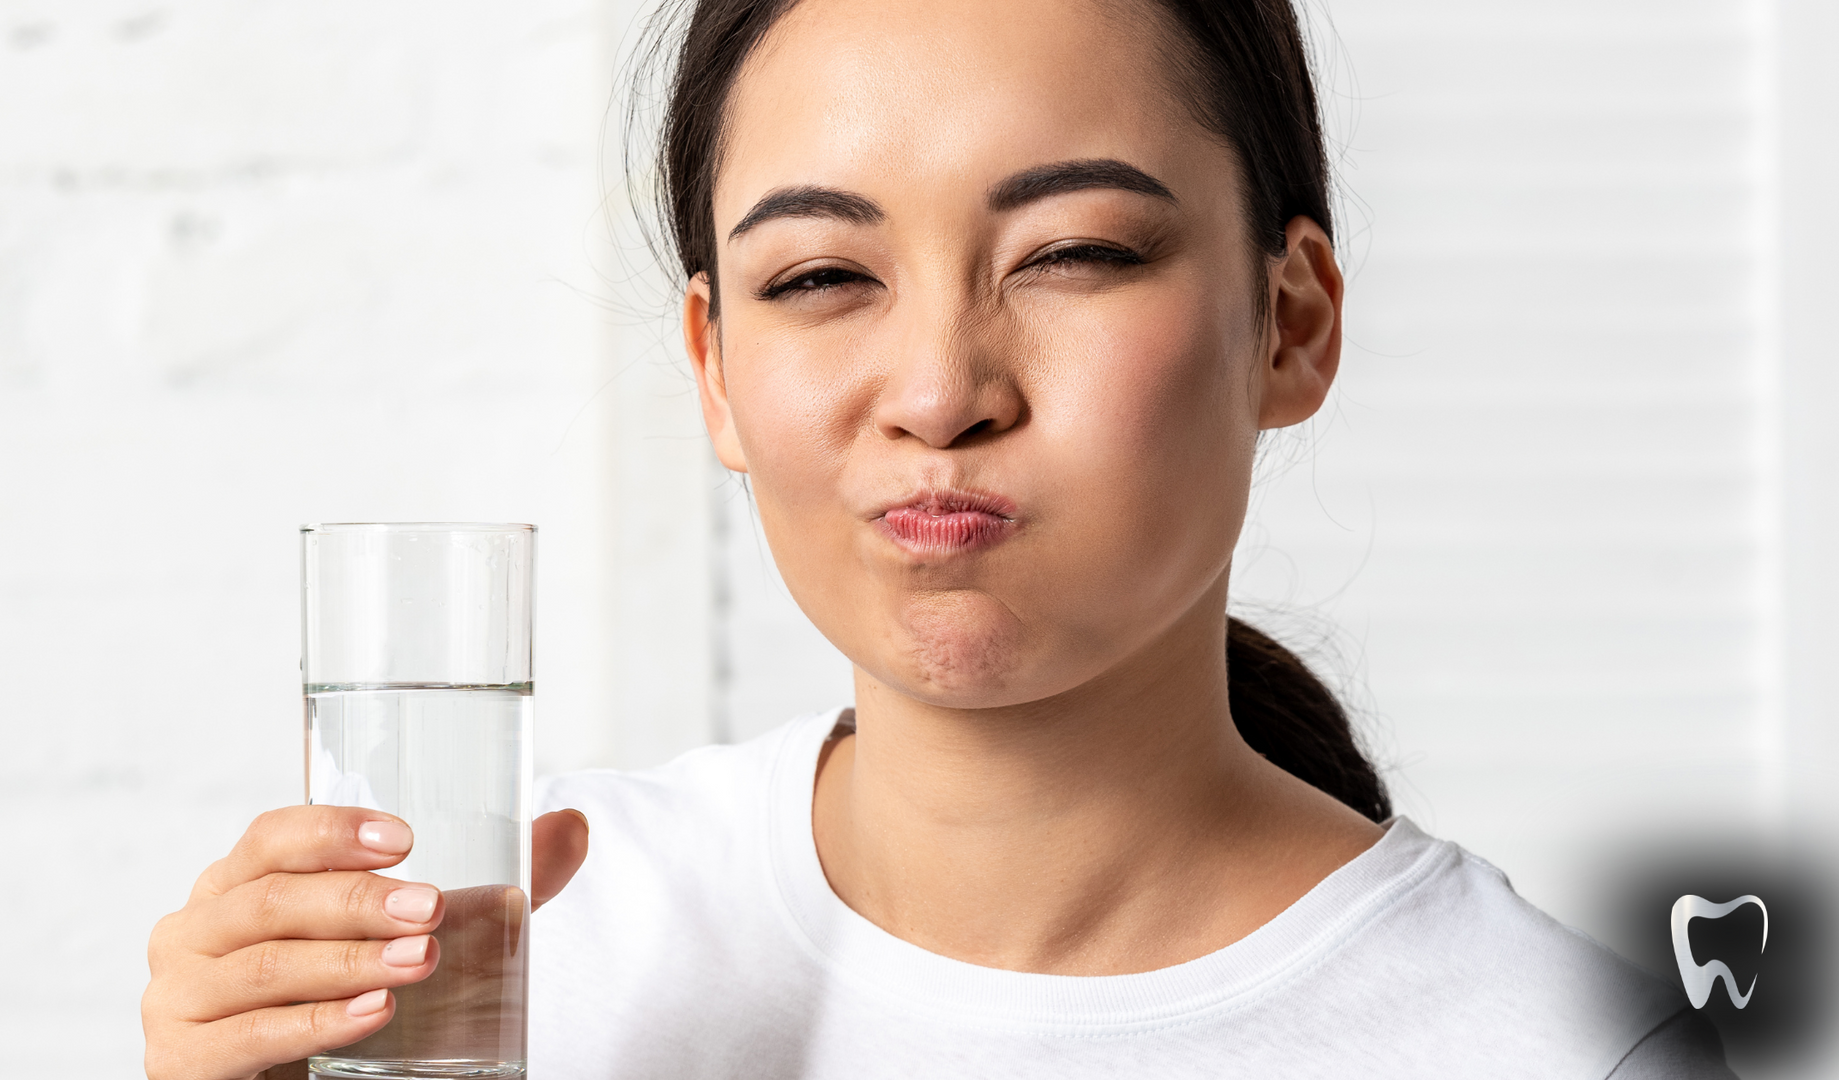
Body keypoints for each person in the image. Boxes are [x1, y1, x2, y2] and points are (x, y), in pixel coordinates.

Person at [141, 0, 1736, 1076]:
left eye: (1074, 253)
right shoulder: (514, 963)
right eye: (821, 277)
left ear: (1289, 322)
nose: (938, 389)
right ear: (712, 370)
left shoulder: (1556, 1041)